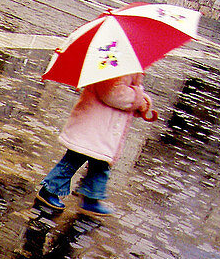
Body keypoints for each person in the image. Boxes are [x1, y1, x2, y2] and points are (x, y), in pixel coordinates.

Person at [36, 72, 153, 216]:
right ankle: (50, 190)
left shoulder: (125, 67)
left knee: (100, 165)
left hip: (104, 129)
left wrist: (141, 100)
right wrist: (138, 99)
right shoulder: (111, 66)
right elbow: (112, 93)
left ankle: (91, 198)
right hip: (93, 127)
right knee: (73, 160)